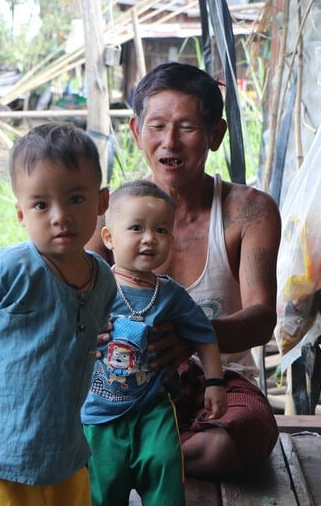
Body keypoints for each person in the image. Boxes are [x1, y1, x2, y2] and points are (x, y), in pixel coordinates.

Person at [90, 62, 281, 480]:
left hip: (220, 380)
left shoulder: (247, 211)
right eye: (156, 126)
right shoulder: (108, 213)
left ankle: (132, 457)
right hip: (117, 381)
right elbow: (69, 294)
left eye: (187, 128)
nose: (169, 142)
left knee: (222, 444)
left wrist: (191, 339)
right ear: (137, 132)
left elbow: (263, 318)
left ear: (216, 135)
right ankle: (143, 454)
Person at [0, 122, 116, 506]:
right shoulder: (9, 268)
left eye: (76, 199)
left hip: (62, 449)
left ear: (101, 202)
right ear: (20, 213)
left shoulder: (103, 278)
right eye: (41, 205)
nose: (60, 216)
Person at [81, 179, 227, 505]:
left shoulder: (169, 293)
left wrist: (215, 382)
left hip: (152, 408)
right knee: (102, 489)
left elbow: (204, 333)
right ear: (109, 237)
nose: (150, 238)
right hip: (97, 412)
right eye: (136, 228)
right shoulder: (93, 287)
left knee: (165, 467)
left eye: (161, 231)